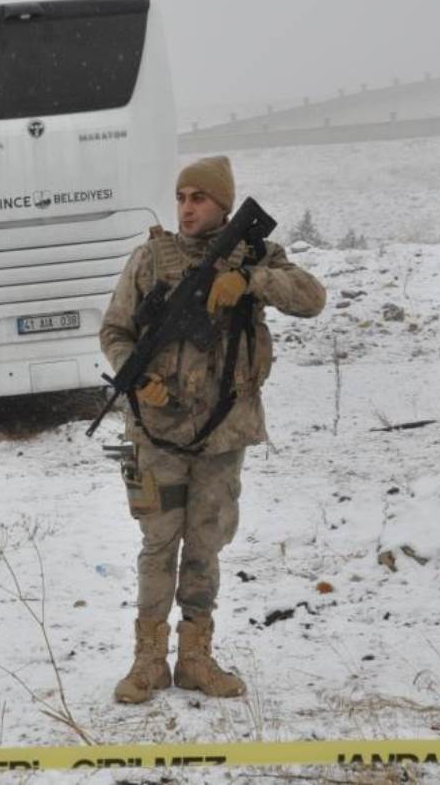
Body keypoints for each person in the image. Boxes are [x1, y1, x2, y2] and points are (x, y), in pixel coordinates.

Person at [99, 156, 326, 704]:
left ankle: (196, 658)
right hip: (156, 433)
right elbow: (114, 331)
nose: (188, 207)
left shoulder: (255, 255)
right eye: (181, 196)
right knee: (158, 545)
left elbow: (311, 297)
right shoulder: (151, 259)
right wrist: (139, 382)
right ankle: (149, 661)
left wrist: (249, 281)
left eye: (200, 197)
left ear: (225, 206)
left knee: (205, 547)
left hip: (224, 434)